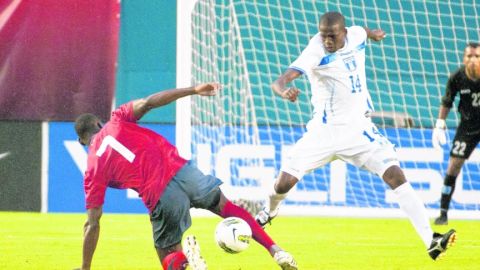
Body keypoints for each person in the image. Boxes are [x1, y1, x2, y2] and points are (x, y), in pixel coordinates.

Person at [254, 11, 456, 260]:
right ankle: (269, 212)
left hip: (359, 131)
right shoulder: (315, 50)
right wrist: (283, 91)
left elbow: (365, 32)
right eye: (324, 35)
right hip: (323, 133)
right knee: (282, 184)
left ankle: (431, 240)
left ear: (344, 32)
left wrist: (375, 35)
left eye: (332, 36)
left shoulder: (357, 33)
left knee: (395, 176)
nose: (327, 41)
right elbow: (281, 80)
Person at [74, 83, 297, 270]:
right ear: (98, 123)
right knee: (225, 206)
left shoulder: (92, 169)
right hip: (184, 172)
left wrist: (85, 267)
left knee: (166, 252)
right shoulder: (117, 119)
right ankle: (276, 251)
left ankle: (188, 260)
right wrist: (193, 90)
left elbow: (92, 223)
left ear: (82, 142)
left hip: (161, 194)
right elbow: (149, 102)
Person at [432, 42, 480, 225]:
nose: (473, 60)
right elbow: (447, 101)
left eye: (477, 56)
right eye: (469, 56)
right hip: (467, 127)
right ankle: (443, 212)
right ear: (464, 58)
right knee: (453, 167)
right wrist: (440, 124)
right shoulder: (457, 77)